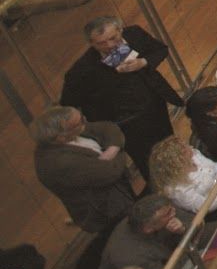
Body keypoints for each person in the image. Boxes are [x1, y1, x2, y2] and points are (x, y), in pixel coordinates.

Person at [60, 16, 180, 179]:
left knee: (169, 142)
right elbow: (68, 103)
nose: (109, 45)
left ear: (120, 30)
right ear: (91, 43)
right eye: (101, 43)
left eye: (113, 38)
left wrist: (143, 62)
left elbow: (160, 49)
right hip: (126, 122)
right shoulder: (81, 71)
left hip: (154, 104)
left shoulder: (134, 35)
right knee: (147, 160)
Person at [31, 105, 137, 236]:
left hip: (118, 197)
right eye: (79, 122)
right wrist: (119, 148)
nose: (85, 121)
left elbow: (108, 128)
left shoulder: (72, 132)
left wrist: (112, 149)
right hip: (108, 211)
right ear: (61, 136)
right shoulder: (59, 162)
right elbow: (111, 172)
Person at [99, 195, 187, 269]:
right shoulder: (134, 258)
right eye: (168, 213)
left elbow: (191, 222)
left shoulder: (155, 214)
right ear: (148, 229)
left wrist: (182, 230)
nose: (174, 212)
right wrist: (187, 242)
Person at [147, 136, 217, 218]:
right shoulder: (178, 190)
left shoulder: (193, 155)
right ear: (177, 161)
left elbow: (214, 167)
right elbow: (207, 206)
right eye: (184, 149)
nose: (190, 147)